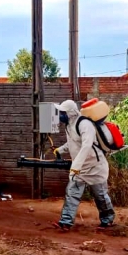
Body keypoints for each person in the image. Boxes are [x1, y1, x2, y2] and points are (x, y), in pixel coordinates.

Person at [51, 99, 115, 231]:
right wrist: (60, 150)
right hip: (80, 168)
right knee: (72, 193)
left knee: (100, 195)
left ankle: (107, 220)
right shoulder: (69, 125)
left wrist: (76, 166)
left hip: (95, 166)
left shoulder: (84, 124)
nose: (60, 115)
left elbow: (86, 145)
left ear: (70, 113)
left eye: (62, 112)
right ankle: (65, 222)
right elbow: (73, 143)